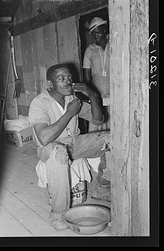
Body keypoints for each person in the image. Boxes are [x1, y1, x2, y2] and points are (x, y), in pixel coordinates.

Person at [29, 63, 110, 230]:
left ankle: (102, 187)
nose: (68, 81)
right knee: (59, 153)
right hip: (50, 148)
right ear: (50, 84)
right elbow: (44, 138)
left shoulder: (73, 99)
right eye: (61, 78)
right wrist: (69, 113)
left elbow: (98, 120)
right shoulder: (39, 102)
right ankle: (58, 215)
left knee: (113, 139)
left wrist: (92, 94)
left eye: (69, 78)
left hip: (75, 143)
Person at [83, 17, 110, 132]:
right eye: (93, 34)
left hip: (115, 94)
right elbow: (87, 75)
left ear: (104, 30)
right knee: (97, 127)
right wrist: (91, 95)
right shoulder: (90, 50)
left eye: (98, 32)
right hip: (98, 95)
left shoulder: (116, 44)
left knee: (114, 126)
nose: (95, 36)